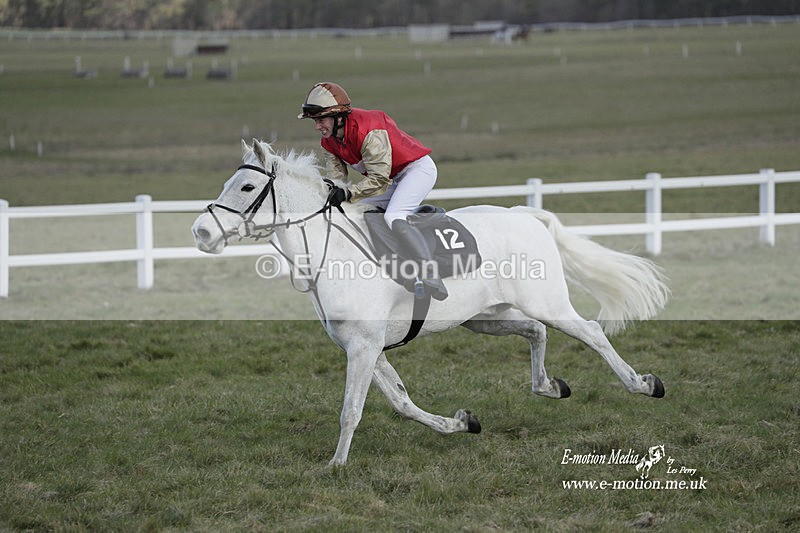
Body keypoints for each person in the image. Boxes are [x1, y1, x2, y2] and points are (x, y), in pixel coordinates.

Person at [298, 81, 448, 300]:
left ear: (338, 116)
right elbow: (337, 180)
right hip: (393, 178)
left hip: (417, 170)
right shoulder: (329, 142)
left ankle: (430, 273)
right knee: (356, 213)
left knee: (394, 215)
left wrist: (348, 194)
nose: (317, 126)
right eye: (315, 121)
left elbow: (378, 179)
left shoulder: (368, 129)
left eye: (321, 120)